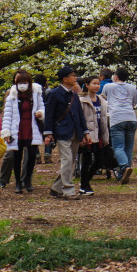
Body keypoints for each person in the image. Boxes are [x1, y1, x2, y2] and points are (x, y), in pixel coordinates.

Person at [44, 66, 87, 200]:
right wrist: (48, 133)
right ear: (65, 78)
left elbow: (80, 114)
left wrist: (85, 132)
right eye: (72, 75)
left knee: (71, 161)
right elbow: (49, 114)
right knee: (67, 160)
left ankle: (56, 188)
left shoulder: (73, 95)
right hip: (62, 131)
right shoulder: (54, 93)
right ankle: (68, 190)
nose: (75, 78)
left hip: (75, 131)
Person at [0, 69, 45, 194]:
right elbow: (7, 115)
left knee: (31, 156)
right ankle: (18, 182)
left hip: (31, 128)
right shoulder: (12, 97)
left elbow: (42, 107)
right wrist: (6, 132)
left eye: (25, 82)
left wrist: (41, 113)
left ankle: (27, 179)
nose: (22, 85)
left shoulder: (36, 95)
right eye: (20, 82)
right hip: (17, 130)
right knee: (17, 156)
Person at [103, 67, 137, 184]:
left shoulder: (108, 86)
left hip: (117, 118)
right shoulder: (132, 87)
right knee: (129, 147)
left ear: (116, 77)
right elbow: (135, 102)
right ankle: (124, 171)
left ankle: (124, 167)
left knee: (118, 147)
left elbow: (104, 100)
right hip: (131, 117)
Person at [78, 75, 110, 196]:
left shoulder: (102, 100)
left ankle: (85, 182)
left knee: (100, 160)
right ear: (87, 85)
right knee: (86, 160)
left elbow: (103, 120)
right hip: (88, 134)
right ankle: (84, 185)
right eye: (94, 83)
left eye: (98, 84)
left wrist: (106, 135)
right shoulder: (82, 100)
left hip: (100, 134)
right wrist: (82, 135)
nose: (96, 86)